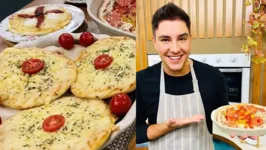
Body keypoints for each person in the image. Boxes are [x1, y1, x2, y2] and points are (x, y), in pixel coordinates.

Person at [136, 3, 229, 150]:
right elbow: (136, 132)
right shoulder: (141, 81)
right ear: (154, 42)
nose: (175, 49)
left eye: (182, 38)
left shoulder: (214, 77)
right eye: (165, 39)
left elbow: (224, 121)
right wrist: (167, 126)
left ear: (190, 39)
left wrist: (239, 129)